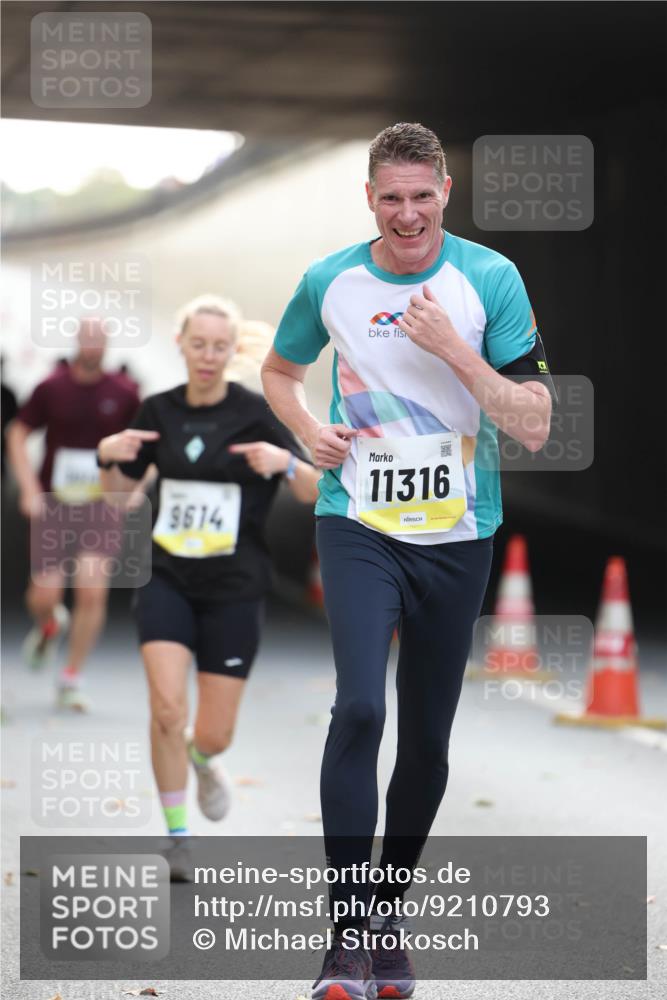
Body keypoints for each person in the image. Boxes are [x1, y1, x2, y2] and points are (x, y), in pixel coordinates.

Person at [261, 122, 556, 1000]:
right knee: (359, 708)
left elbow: (533, 421)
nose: (406, 213)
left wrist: (453, 350)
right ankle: (344, 937)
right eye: (389, 197)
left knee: (425, 742)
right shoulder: (331, 280)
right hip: (358, 520)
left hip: (458, 532)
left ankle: (387, 921)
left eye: (421, 195)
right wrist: (310, 429)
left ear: (443, 196)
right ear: (368, 199)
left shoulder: (488, 280)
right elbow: (280, 371)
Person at [96, 295, 320, 877]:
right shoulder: (158, 411)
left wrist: (286, 463)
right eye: (198, 344)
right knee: (167, 709)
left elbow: (318, 491)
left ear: (232, 350)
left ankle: (203, 759)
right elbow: (117, 502)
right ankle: (177, 838)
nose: (208, 356)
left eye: (220, 346)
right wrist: (107, 458)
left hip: (235, 586)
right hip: (168, 578)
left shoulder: (258, 413)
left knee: (214, 734)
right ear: (181, 344)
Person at [6, 319, 140, 710]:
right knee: (44, 593)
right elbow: (17, 433)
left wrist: (133, 487)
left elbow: (147, 440)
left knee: (91, 591)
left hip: (101, 504)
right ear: (78, 341)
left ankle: (71, 676)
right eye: (88, 338)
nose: (94, 346)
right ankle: (49, 623)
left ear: (108, 344)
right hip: (56, 502)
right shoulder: (52, 387)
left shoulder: (124, 391)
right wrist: (29, 488)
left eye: (101, 339)